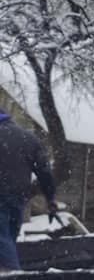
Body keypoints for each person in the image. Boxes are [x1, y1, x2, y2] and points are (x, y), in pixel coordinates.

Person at [0, 110, 57, 271]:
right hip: (18, 197)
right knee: (9, 238)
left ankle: (13, 276)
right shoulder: (28, 138)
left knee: (2, 240)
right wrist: (50, 197)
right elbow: (44, 172)